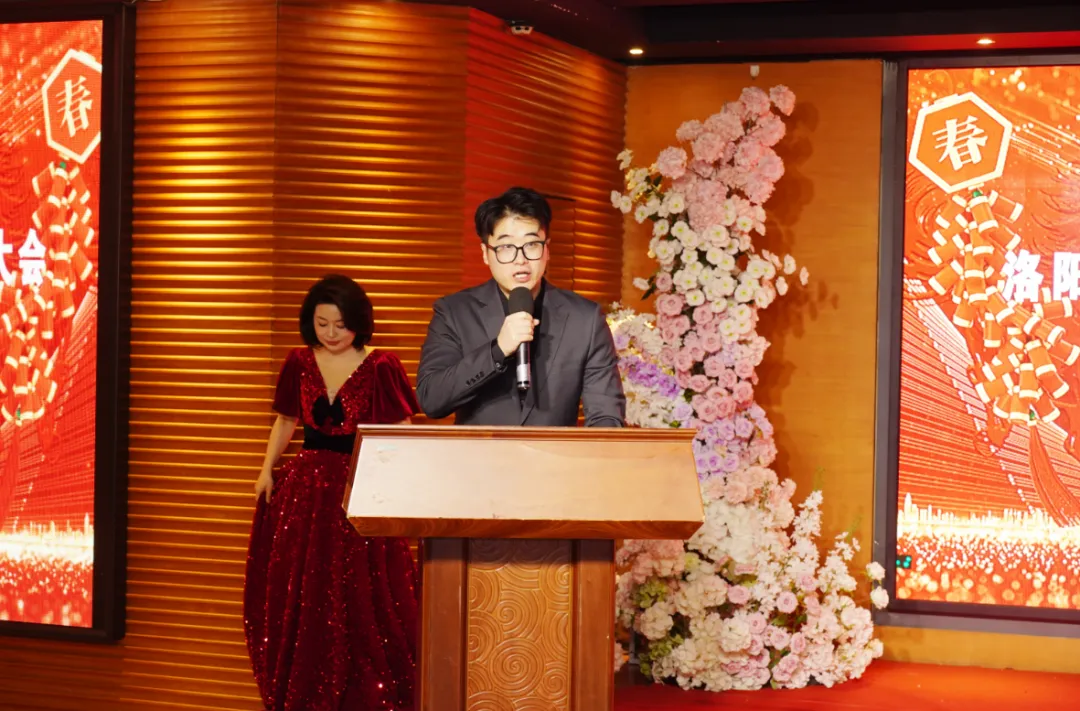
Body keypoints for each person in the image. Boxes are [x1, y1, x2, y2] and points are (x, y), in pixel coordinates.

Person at [243, 274, 419, 711]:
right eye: (322, 324)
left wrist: (392, 479)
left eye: (340, 324)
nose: (331, 333)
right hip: (305, 491)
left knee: (365, 592)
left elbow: (402, 429)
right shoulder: (299, 362)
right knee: (305, 589)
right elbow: (286, 420)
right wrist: (266, 471)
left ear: (359, 321)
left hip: (360, 487)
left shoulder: (382, 365)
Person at [416, 187, 625, 427]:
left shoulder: (585, 319)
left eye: (531, 244)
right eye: (506, 247)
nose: (520, 259)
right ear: (485, 253)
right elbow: (431, 399)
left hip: (555, 452)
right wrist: (498, 350)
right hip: (481, 452)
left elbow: (607, 416)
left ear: (547, 249)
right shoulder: (454, 312)